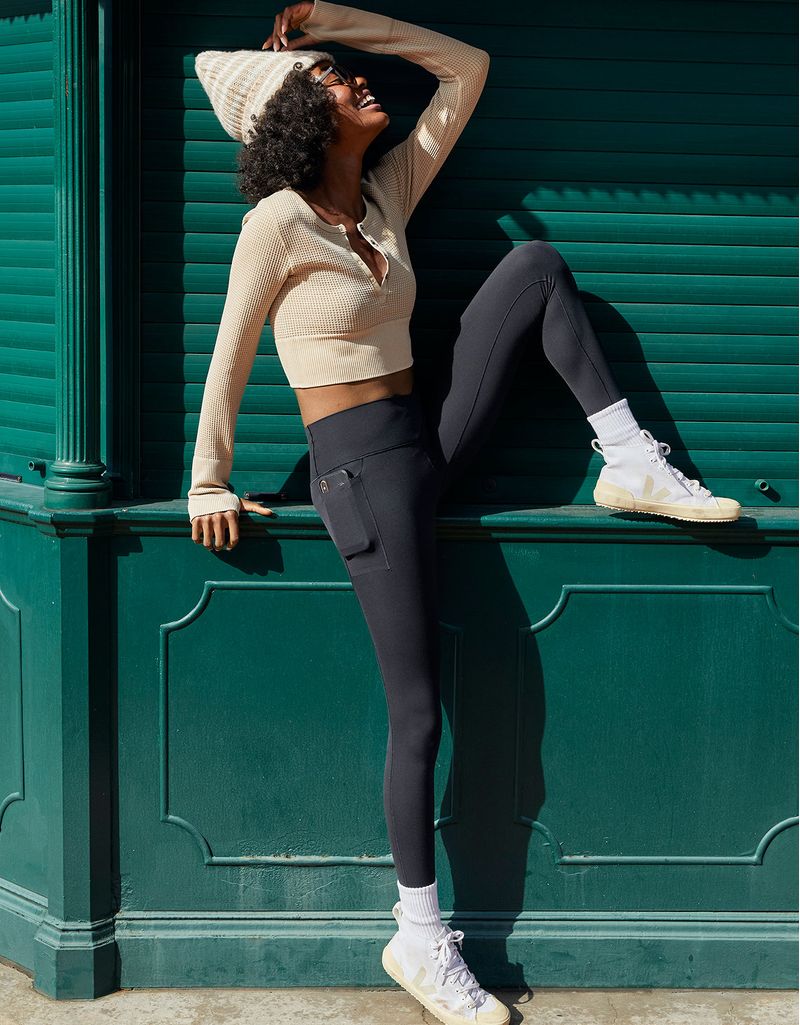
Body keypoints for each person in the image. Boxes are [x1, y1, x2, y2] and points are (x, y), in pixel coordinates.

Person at [188, 3, 741, 1021]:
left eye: (344, 69)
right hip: (361, 472)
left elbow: (465, 66)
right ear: (295, 119)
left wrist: (332, 19)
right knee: (420, 711)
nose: (356, 80)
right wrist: (206, 480)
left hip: (423, 434)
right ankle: (418, 932)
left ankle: (628, 459)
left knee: (534, 269)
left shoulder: (383, 194)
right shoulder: (277, 223)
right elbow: (230, 352)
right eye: (329, 78)